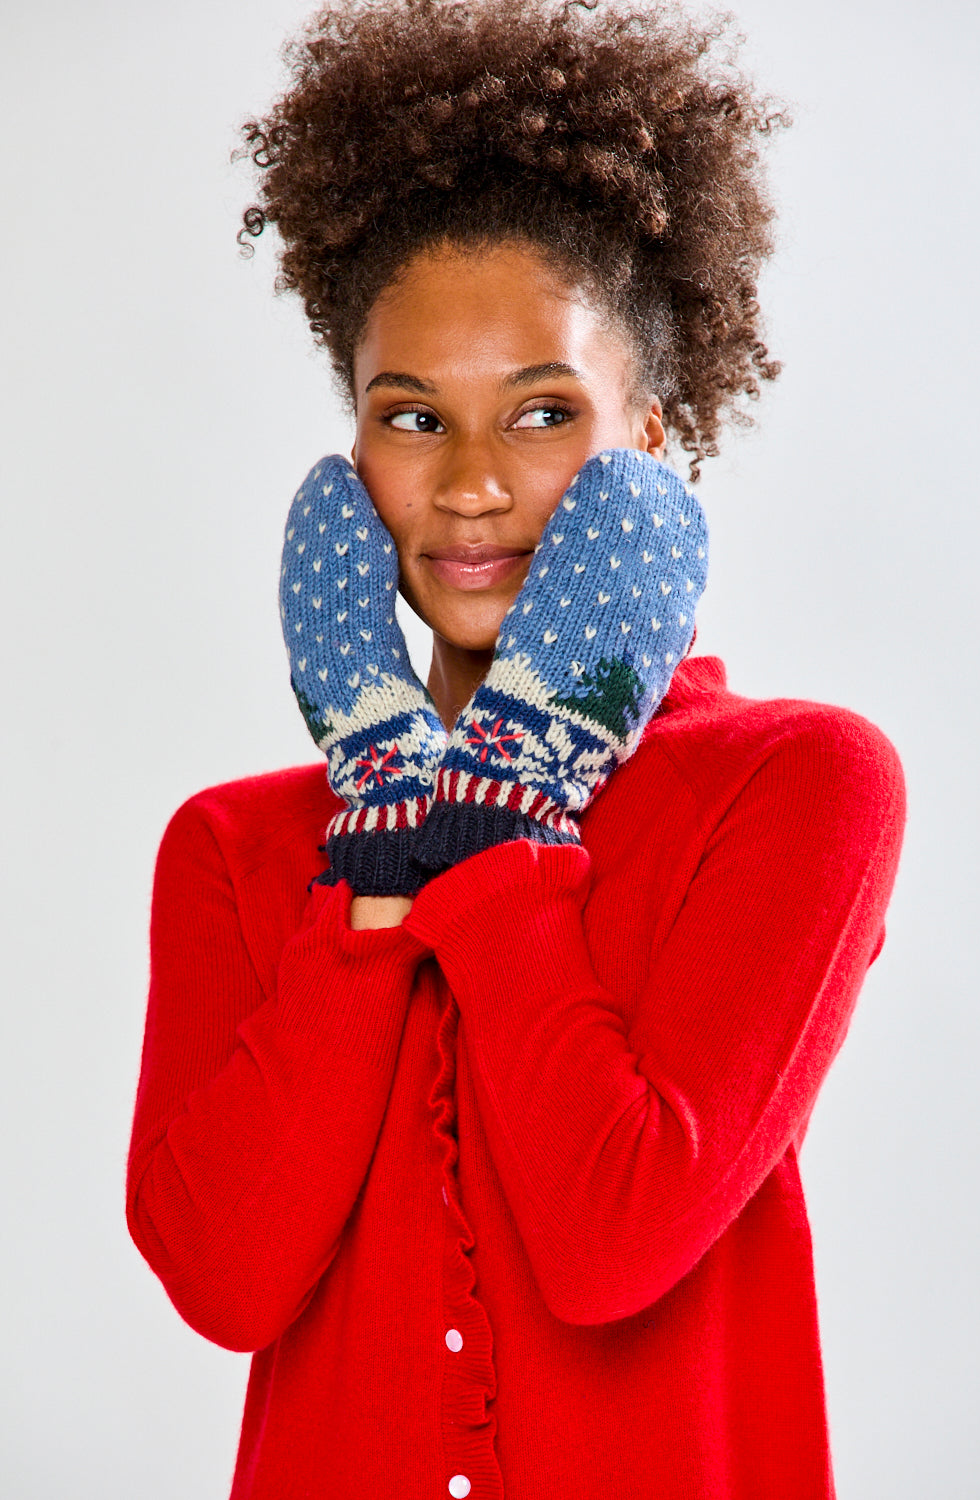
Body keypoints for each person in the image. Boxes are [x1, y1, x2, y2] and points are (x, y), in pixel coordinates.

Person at [124, 1, 907, 1496]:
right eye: (410, 419)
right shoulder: (235, 848)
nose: (473, 486)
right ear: (351, 455)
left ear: (654, 444)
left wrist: (502, 818)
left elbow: (613, 1239)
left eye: (543, 412)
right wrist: (375, 841)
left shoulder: (800, 787)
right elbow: (225, 1279)